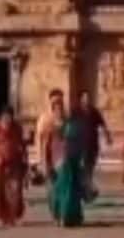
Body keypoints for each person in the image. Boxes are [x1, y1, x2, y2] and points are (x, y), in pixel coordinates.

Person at [45, 95, 86, 227]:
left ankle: (69, 217)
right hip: (57, 159)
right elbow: (46, 145)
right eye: (56, 109)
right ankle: (60, 215)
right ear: (53, 110)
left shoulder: (70, 124)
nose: (59, 111)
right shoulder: (50, 126)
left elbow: (78, 141)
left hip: (71, 158)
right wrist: (45, 162)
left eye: (60, 108)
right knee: (59, 189)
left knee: (70, 188)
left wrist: (81, 157)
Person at [0, 105, 27, 226]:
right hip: (0, 164)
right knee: (1, 190)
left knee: (16, 190)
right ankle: (4, 215)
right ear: (2, 117)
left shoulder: (17, 128)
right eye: (5, 116)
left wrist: (24, 157)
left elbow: (22, 144)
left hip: (15, 162)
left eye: (9, 116)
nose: (7, 119)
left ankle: (13, 214)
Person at [77, 90, 113, 197]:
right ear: (81, 99)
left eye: (88, 98)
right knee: (83, 168)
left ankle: (87, 189)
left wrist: (108, 137)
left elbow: (103, 124)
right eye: (85, 98)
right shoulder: (77, 112)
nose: (87, 100)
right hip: (80, 145)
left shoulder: (94, 111)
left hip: (92, 145)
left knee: (90, 167)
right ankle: (86, 189)